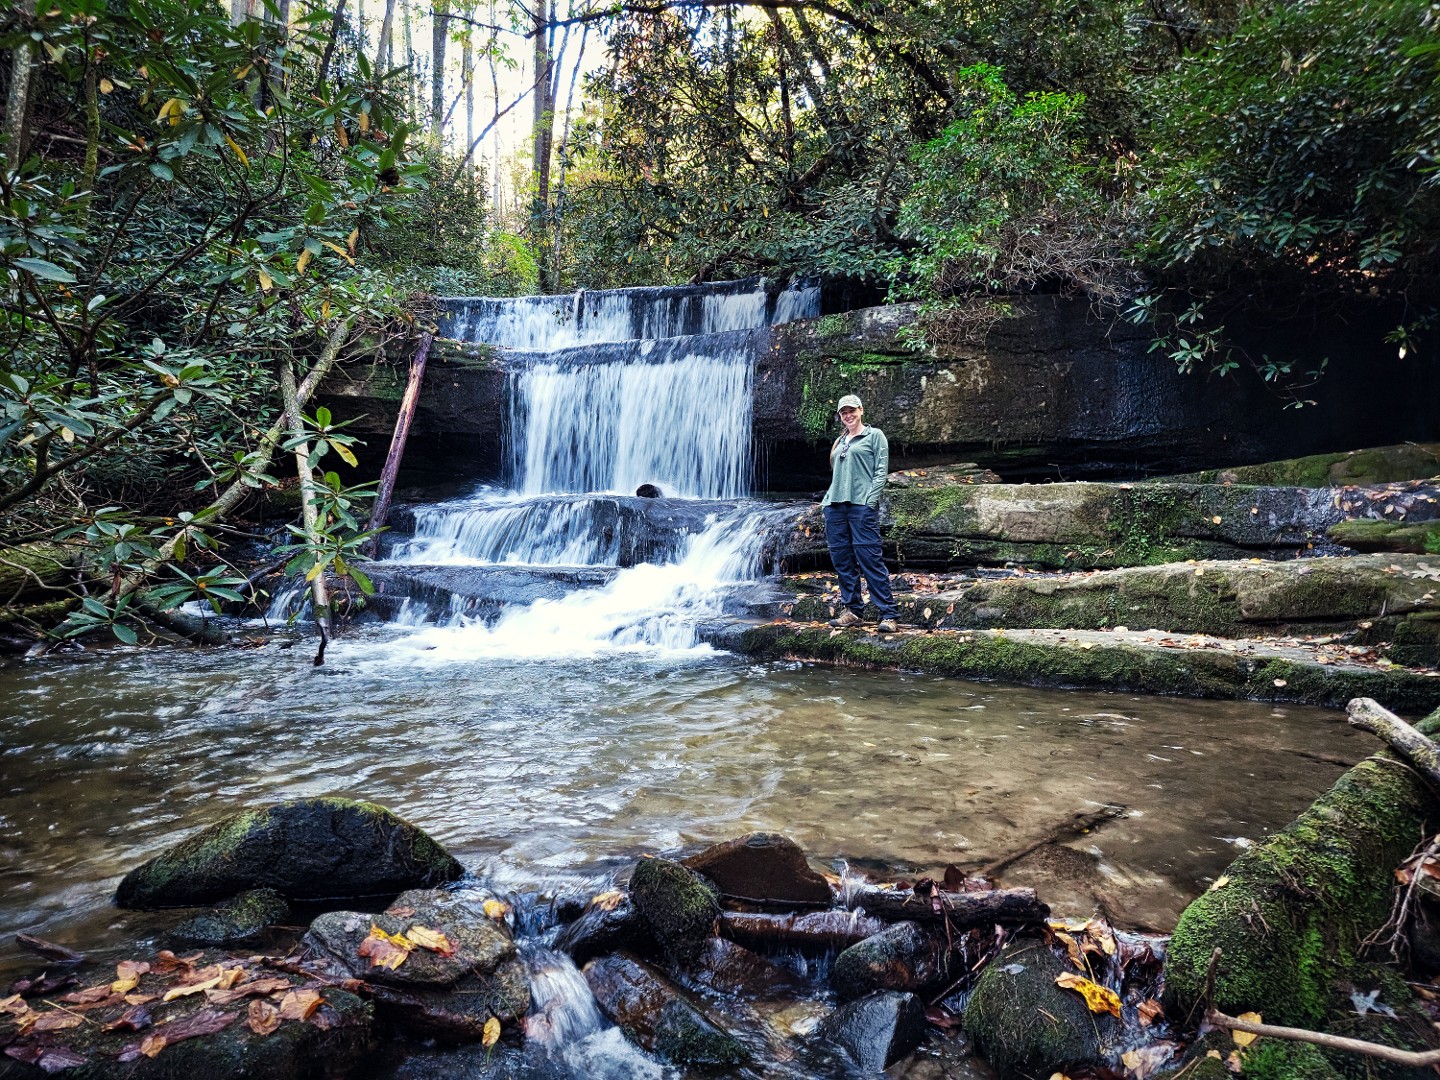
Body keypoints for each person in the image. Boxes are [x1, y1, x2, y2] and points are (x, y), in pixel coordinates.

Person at [821, 394, 898, 632]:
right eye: (843, 412)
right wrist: (826, 504)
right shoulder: (840, 441)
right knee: (842, 560)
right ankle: (853, 611)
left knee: (869, 559)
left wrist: (869, 503)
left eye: (852, 410)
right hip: (835, 507)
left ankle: (888, 614)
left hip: (860, 505)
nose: (848, 415)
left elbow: (881, 472)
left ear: (861, 410)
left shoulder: (875, 436)